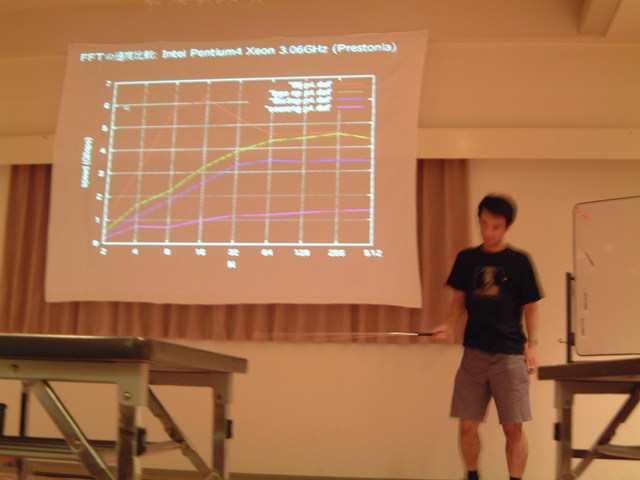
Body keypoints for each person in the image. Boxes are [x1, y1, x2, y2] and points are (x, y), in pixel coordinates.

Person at [432, 194, 543, 480]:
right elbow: (458, 301)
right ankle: (472, 476)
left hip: (509, 355)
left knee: (513, 427)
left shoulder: (519, 261)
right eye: (483, 224)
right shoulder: (467, 259)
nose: (488, 231)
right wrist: (447, 324)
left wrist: (532, 345)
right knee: (467, 426)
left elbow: (531, 307)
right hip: (474, 354)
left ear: (507, 227)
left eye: (495, 227)